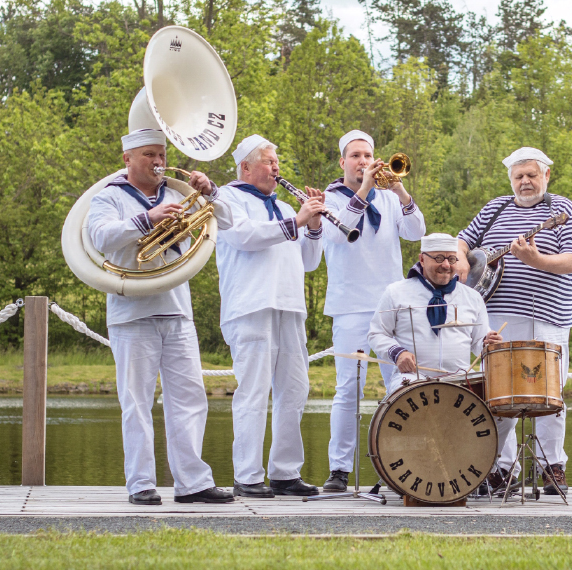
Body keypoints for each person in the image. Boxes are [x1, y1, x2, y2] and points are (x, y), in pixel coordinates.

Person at [87, 126, 234, 505]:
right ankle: (141, 483)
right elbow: (100, 238)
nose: (158, 162)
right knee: (135, 401)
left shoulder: (177, 192)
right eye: (150, 154)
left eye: (162, 155)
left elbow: (230, 222)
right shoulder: (109, 197)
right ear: (127, 159)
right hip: (131, 312)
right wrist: (148, 219)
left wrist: (211, 192)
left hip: (177, 310)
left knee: (190, 397)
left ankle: (193, 483)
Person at [455, 147, 572, 496]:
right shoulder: (495, 207)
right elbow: (462, 240)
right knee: (498, 396)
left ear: (546, 175)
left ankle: (552, 467)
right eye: (519, 176)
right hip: (495, 316)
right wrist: (462, 261)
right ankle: (497, 470)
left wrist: (536, 259)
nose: (525, 181)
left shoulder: (562, 210)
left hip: (546, 316)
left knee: (548, 395)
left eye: (532, 174)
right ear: (511, 179)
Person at [215, 135, 326, 498]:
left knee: (294, 390)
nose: (276, 168)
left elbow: (309, 262)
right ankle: (247, 476)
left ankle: (284, 472)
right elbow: (245, 237)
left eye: (276, 162)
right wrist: (298, 219)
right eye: (268, 161)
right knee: (254, 391)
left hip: (290, 305)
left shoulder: (280, 207)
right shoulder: (228, 198)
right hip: (250, 305)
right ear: (246, 167)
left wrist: (313, 226)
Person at [321, 130, 426, 492]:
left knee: (401, 385)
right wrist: (364, 190)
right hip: (349, 306)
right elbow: (337, 233)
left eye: (368, 155)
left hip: (390, 306)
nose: (363, 161)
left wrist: (399, 191)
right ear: (342, 162)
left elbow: (416, 232)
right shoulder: (330, 199)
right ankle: (338, 470)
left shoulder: (390, 195)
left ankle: (400, 467)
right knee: (348, 388)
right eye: (355, 156)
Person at [368, 233, 503, 393]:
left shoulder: (473, 297)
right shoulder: (395, 292)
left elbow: (478, 342)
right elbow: (377, 333)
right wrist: (398, 353)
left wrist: (487, 343)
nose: (446, 265)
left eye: (452, 259)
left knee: (500, 406)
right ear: (422, 259)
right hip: (412, 378)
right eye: (439, 258)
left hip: (461, 379)